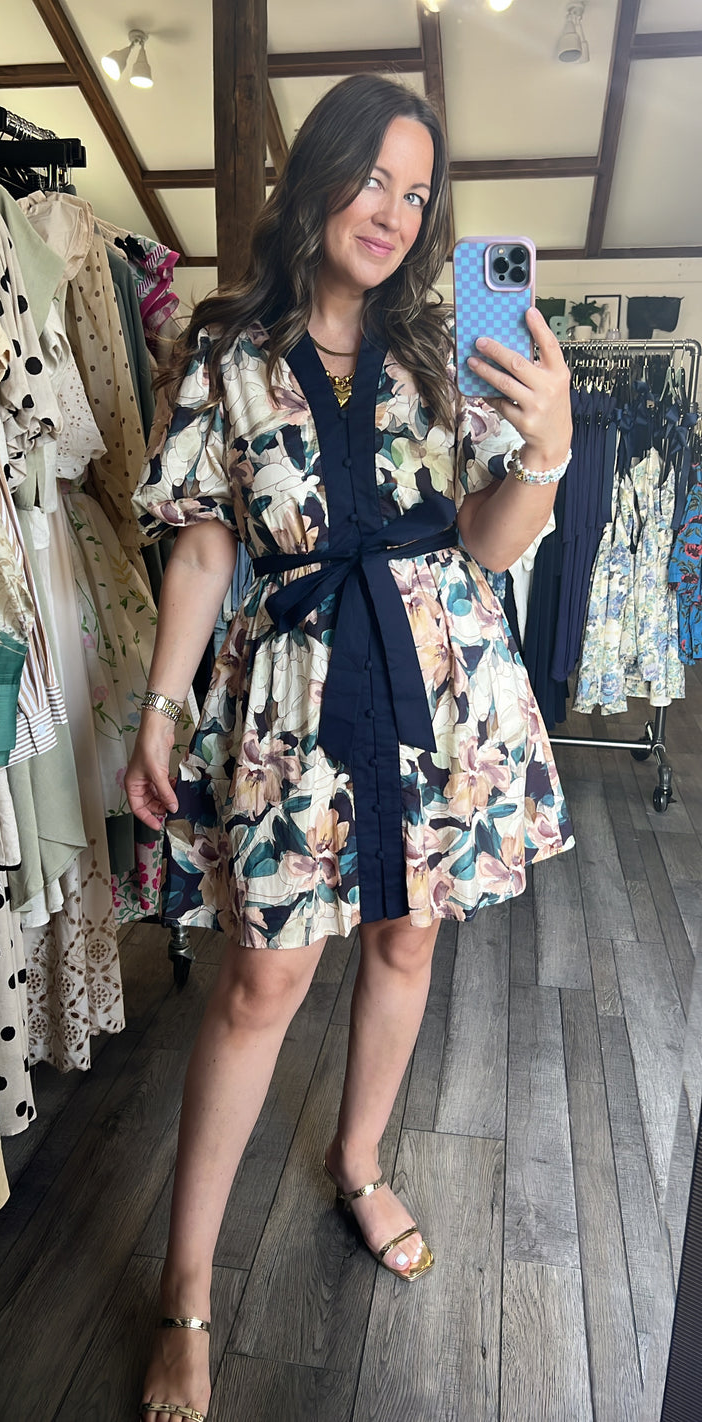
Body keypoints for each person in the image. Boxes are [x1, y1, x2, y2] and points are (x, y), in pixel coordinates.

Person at [126, 74, 574, 1422]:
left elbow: (486, 547)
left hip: (438, 688)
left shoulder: (443, 350)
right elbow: (206, 543)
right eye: (372, 177)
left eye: (416, 193)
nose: (391, 211)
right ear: (316, 175)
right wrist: (160, 705)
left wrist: (547, 451)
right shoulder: (223, 347)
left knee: (407, 940)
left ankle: (360, 1160)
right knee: (261, 984)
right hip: (297, 694)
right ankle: (187, 1291)